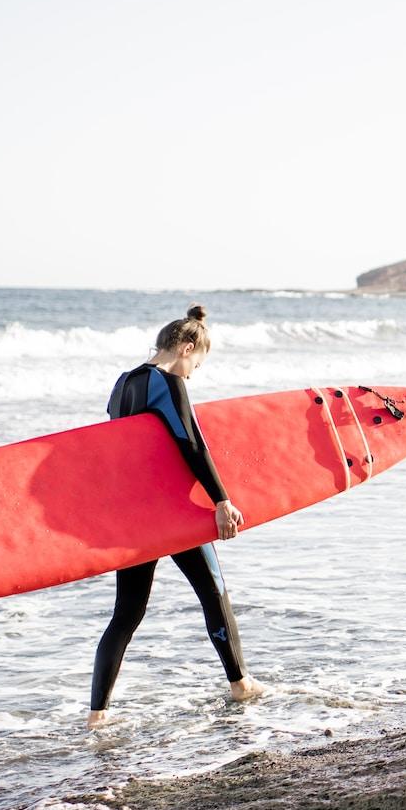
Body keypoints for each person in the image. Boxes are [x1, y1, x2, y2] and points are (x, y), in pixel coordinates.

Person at [86, 305, 262, 728]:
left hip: (132, 516)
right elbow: (193, 444)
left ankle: (97, 714)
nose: (192, 373)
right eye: (196, 364)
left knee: (126, 614)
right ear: (186, 348)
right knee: (214, 593)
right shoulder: (168, 382)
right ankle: (240, 683)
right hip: (172, 513)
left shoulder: (122, 383)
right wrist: (221, 501)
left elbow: (117, 451)